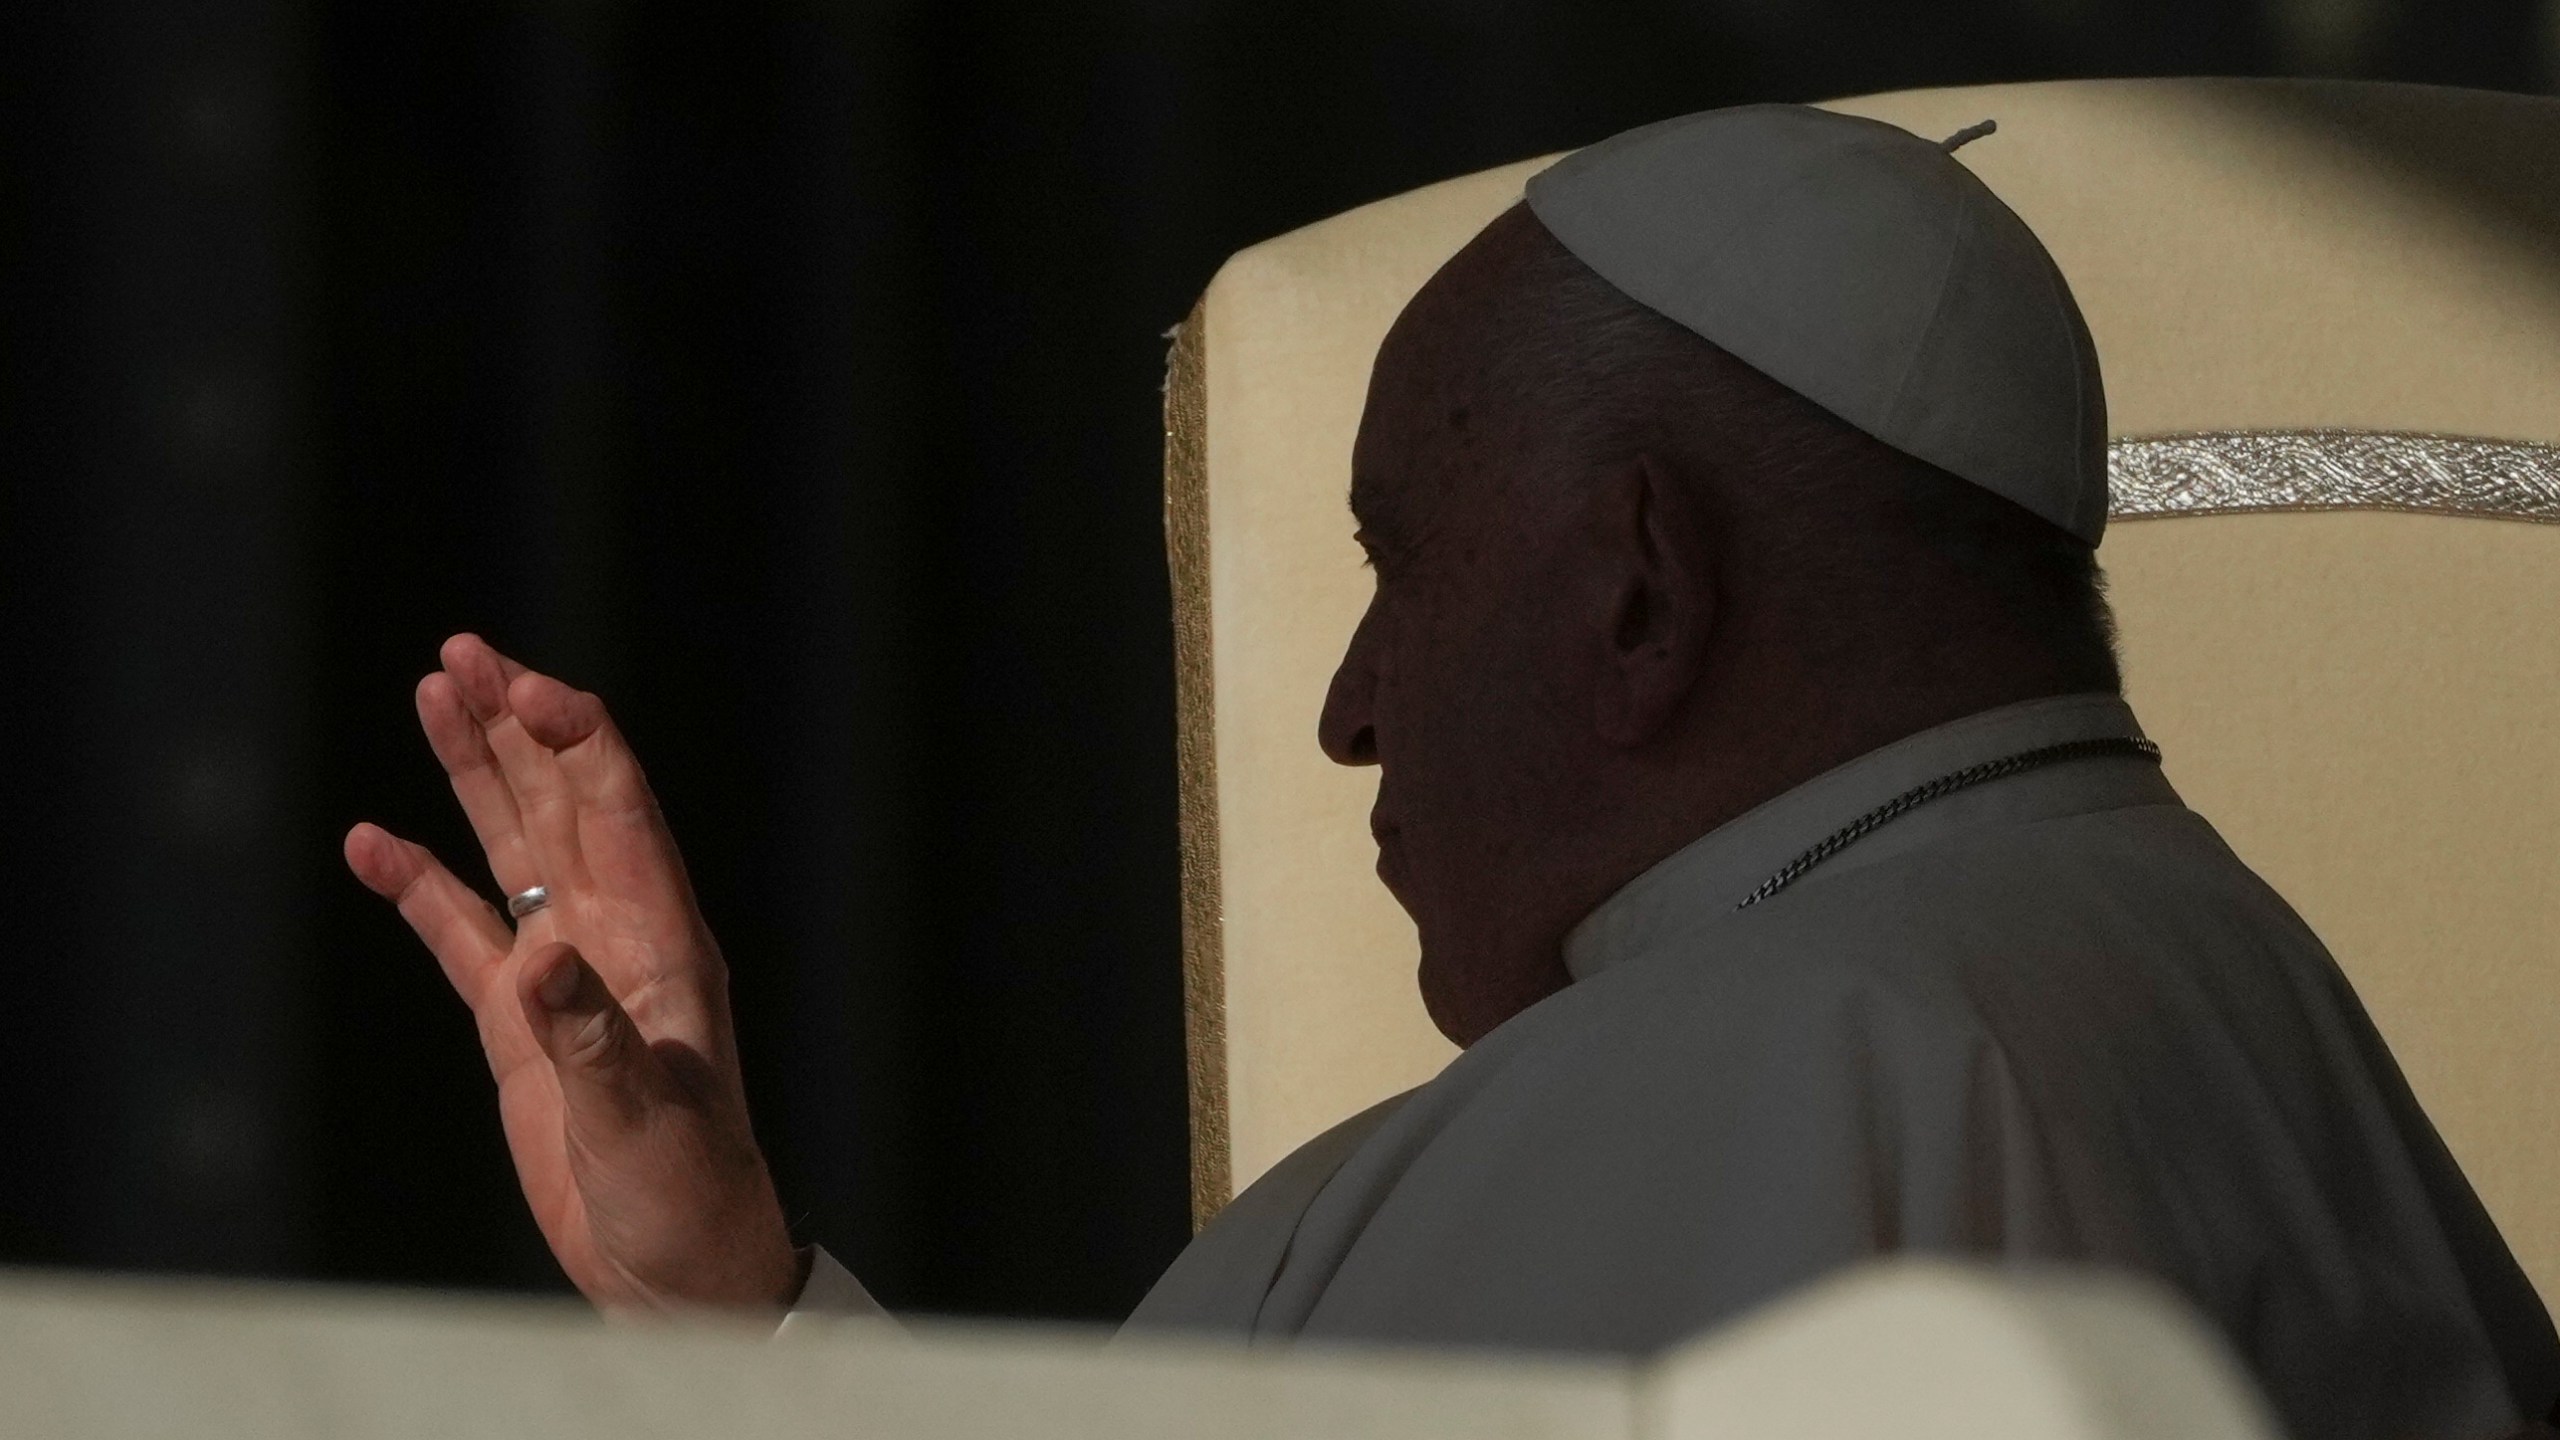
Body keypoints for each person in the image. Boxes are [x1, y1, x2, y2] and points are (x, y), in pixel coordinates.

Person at [344, 105, 2558, 1438]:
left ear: (1634, 592)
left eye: (1399, 564)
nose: (1350, 704)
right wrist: (725, 1305)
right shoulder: (2204, 972)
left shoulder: (1763, 1068)